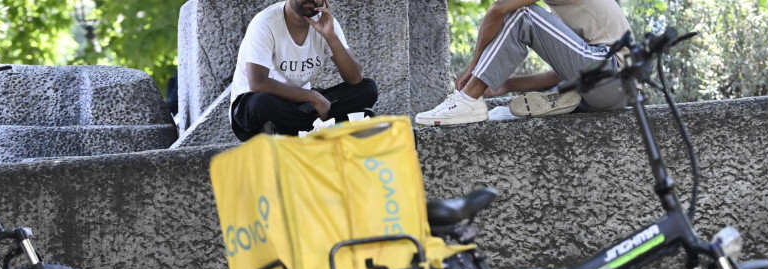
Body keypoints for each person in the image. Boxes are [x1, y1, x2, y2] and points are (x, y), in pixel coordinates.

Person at [416, 0, 632, 126]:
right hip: (614, 90)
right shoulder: (569, 11)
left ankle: (468, 100)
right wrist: (508, 85)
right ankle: (559, 99)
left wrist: (474, 69)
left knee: (522, 14)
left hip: (610, 72)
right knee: (529, 17)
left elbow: (499, 9)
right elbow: (566, 70)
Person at [229, 0, 378, 141]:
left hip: (300, 106)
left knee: (368, 88)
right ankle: (326, 127)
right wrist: (312, 96)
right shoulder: (266, 23)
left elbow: (355, 78)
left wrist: (330, 37)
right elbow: (258, 83)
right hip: (252, 107)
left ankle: (292, 130)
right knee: (261, 103)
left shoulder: (325, 22)